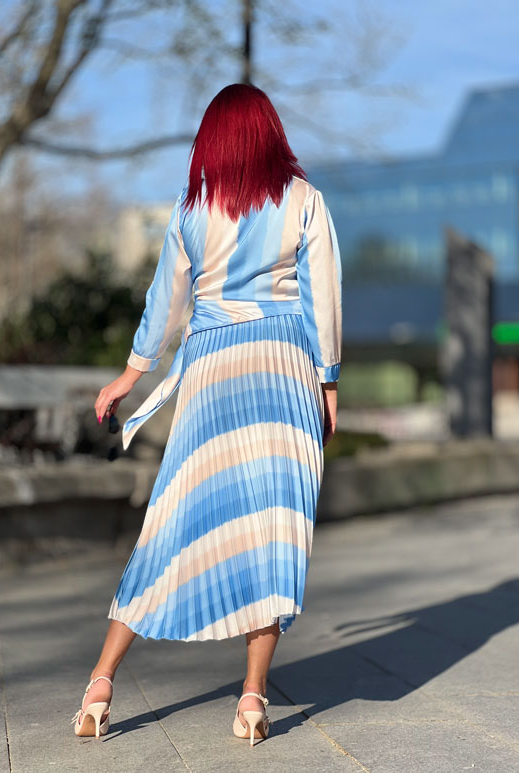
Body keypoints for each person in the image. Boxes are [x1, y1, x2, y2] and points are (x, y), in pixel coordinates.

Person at [70, 83, 342, 746]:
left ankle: (100, 683)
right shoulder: (304, 200)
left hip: (213, 370)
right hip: (282, 368)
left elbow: (164, 304)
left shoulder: (192, 207)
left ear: (212, 139)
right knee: (274, 529)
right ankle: (252, 699)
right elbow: (323, 301)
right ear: (270, 133)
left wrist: (131, 375)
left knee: (171, 518)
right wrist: (328, 383)